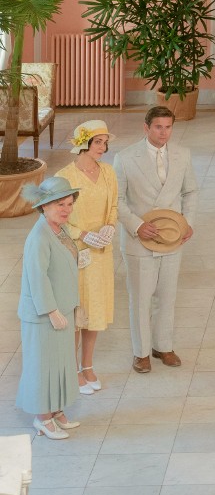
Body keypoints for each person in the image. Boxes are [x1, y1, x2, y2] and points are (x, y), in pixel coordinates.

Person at [114, 106, 198, 373]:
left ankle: (163, 346)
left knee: (167, 296)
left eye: (168, 127)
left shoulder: (183, 154)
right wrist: (137, 226)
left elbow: (190, 191)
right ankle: (141, 353)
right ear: (146, 127)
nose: (164, 133)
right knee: (141, 299)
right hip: (139, 240)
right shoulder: (125, 158)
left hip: (172, 238)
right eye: (158, 127)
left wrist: (187, 223)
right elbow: (117, 200)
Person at [17, 177, 84, 440]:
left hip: (62, 309)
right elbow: (38, 278)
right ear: (44, 206)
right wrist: (51, 311)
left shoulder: (59, 230)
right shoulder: (39, 236)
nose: (66, 209)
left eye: (69, 204)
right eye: (59, 204)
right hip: (45, 315)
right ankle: (42, 418)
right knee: (43, 365)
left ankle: (56, 410)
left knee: (60, 364)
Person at [56, 120, 118, 395]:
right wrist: (82, 235)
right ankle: (71, 370)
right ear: (84, 143)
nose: (103, 148)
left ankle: (88, 366)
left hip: (101, 252)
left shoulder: (108, 172)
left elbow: (113, 205)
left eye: (105, 142)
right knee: (76, 312)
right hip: (75, 253)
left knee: (95, 311)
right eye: (98, 142)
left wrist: (110, 227)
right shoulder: (65, 177)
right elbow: (56, 217)